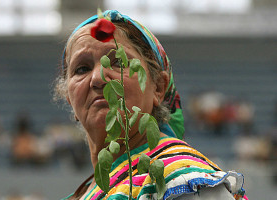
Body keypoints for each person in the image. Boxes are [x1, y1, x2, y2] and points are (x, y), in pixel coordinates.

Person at [54, 10, 248, 200]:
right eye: (82, 69)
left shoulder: (181, 179)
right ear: (70, 99)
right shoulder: (86, 192)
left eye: (119, 63)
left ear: (158, 87)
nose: (98, 78)